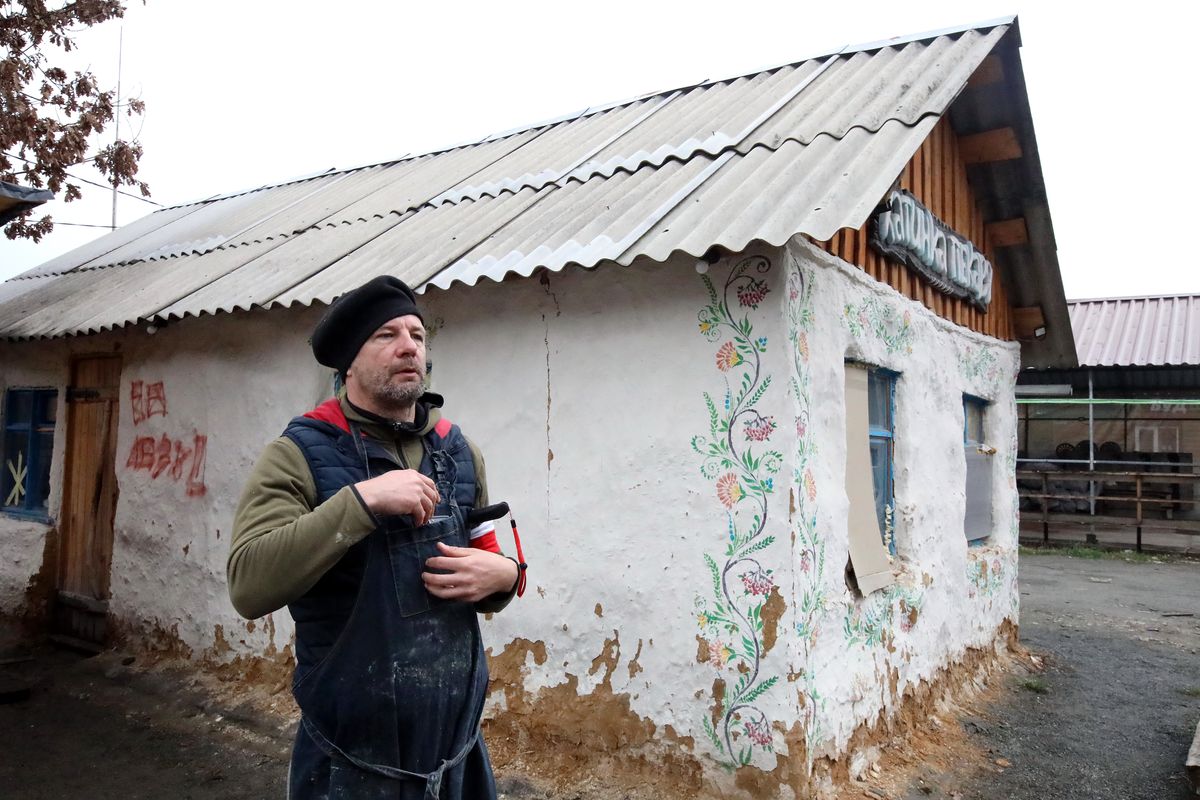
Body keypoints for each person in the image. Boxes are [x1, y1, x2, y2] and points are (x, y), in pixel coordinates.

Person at [227, 275, 520, 800]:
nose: (410, 345)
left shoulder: (458, 451)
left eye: (418, 334)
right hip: (351, 765)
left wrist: (507, 579)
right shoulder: (298, 454)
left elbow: (488, 560)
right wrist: (360, 504)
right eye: (386, 335)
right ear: (349, 362)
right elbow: (248, 585)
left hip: (457, 755)